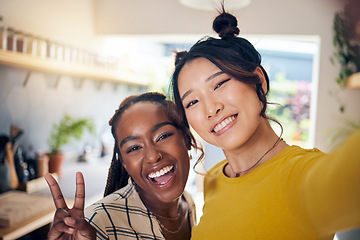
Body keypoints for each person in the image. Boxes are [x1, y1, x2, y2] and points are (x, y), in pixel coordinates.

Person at [169, 7, 360, 240]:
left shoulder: (307, 174)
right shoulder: (213, 180)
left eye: (219, 84)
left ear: (258, 80)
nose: (211, 109)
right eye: (193, 102)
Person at [45, 92, 202, 240]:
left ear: (186, 139)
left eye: (162, 136)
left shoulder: (187, 202)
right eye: (134, 148)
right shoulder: (96, 223)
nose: (153, 156)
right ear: (125, 164)